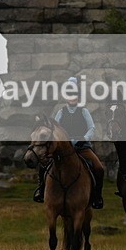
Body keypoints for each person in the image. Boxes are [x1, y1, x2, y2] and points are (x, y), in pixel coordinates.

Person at [33, 77, 105, 209]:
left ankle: (96, 197)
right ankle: (41, 192)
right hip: (64, 149)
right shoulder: (60, 113)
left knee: (99, 168)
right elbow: (55, 130)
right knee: (44, 165)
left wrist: (82, 139)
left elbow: (92, 128)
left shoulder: (84, 111)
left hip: (82, 148)